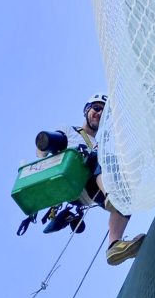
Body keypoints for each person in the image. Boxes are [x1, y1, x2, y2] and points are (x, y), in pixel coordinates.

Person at [36, 93, 144, 266]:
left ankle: (114, 245)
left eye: (104, 113)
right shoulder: (69, 131)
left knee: (125, 195)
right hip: (69, 179)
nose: (99, 114)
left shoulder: (99, 145)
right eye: (96, 108)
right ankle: (111, 196)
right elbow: (43, 147)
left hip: (88, 189)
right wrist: (43, 151)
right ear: (86, 110)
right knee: (96, 157)